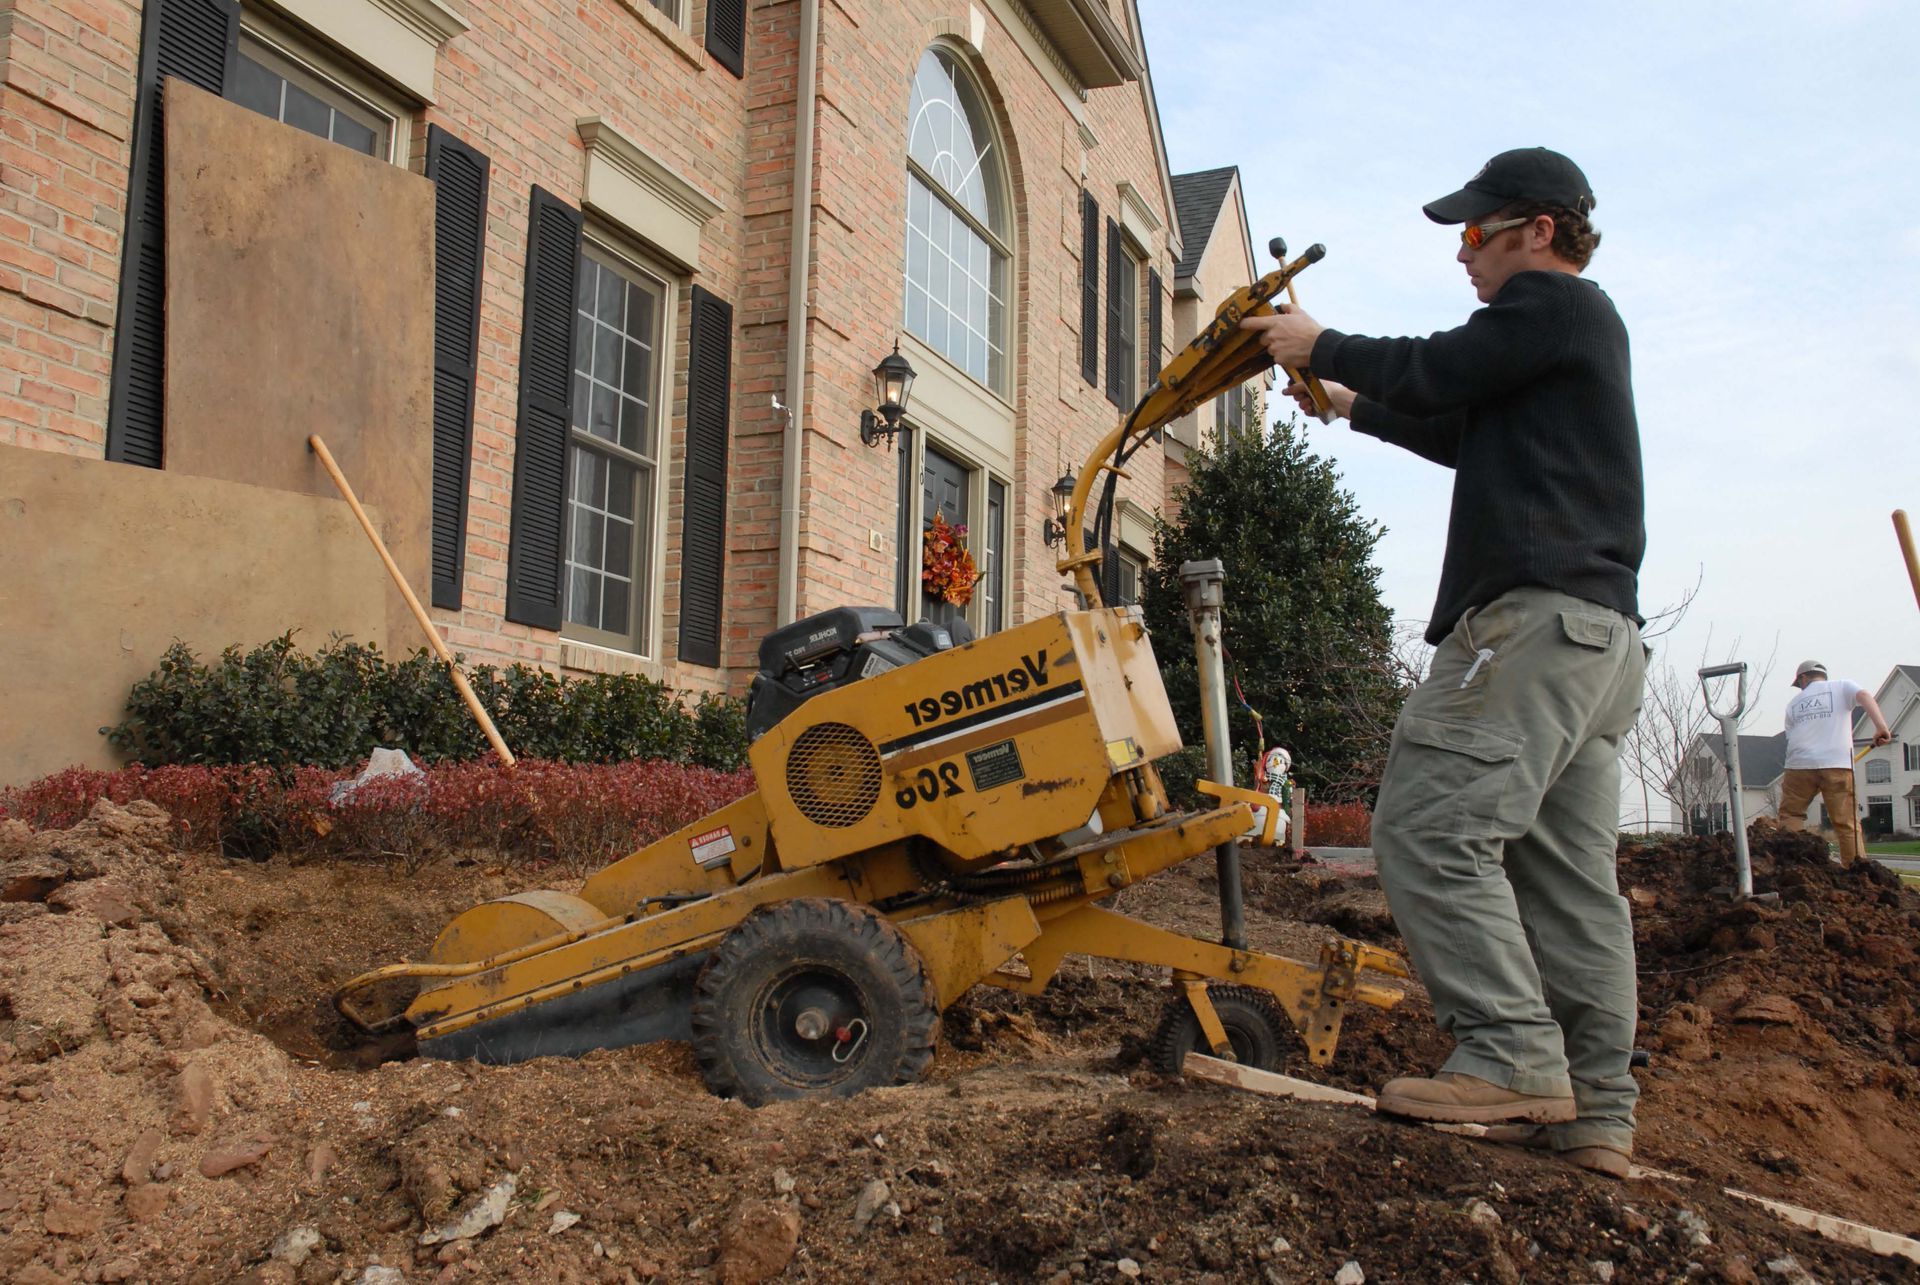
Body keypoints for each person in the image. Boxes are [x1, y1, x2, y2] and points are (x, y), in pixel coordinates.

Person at [1241, 147, 1647, 1179]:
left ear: (1538, 230)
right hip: (1595, 643)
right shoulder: (1561, 348)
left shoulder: (1554, 308)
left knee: (1423, 827)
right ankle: (1598, 1111)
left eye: (1475, 233)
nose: (1462, 255)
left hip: (1529, 631)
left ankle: (1511, 1052)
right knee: (1568, 884)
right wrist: (1348, 400)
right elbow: (1462, 425)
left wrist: (1317, 337)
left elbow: (1441, 365)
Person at [1778, 659, 1891, 865]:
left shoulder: (1794, 704)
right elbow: (1865, 696)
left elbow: (1791, 737)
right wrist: (1880, 727)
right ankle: (1856, 871)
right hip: (1836, 764)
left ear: (1803, 679)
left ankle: (1793, 867)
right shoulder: (1842, 686)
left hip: (1799, 766)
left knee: (1791, 815)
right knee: (1846, 823)